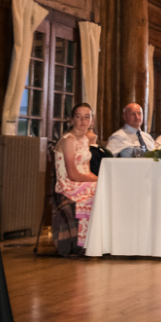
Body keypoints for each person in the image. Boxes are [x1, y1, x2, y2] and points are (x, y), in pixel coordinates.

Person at [54, 103, 98, 248]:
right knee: (98, 190)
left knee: (106, 189)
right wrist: (96, 180)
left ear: (92, 120)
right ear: (72, 120)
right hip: (68, 183)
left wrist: (97, 180)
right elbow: (72, 173)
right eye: (78, 117)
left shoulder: (85, 139)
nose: (83, 121)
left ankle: (99, 240)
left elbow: (87, 169)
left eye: (87, 117)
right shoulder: (69, 139)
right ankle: (85, 242)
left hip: (82, 182)